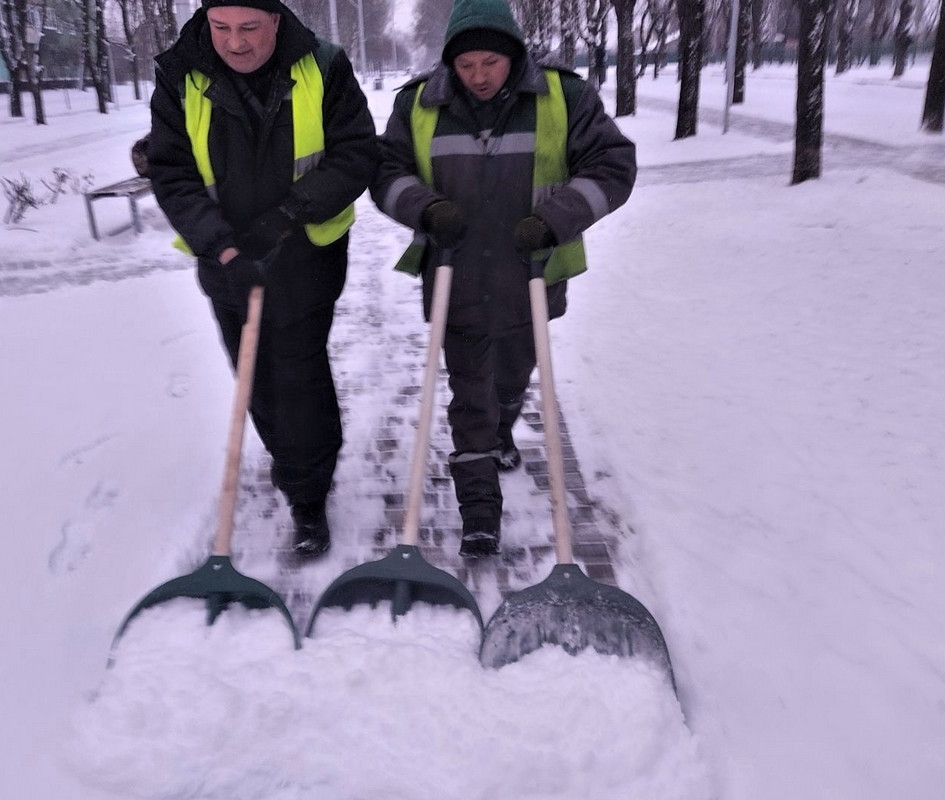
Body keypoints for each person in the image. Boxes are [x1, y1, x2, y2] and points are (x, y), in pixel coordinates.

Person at [370, 0, 636, 557]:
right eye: (466, 66)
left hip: (531, 273)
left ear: (513, 55)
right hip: (455, 275)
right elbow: (385, 171)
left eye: (490, 63)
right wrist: (425, 208)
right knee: (471, 395)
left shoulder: (564, 96)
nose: (479, 76)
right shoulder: (418, 103)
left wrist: (554, 220)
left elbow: (612, 165)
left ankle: (502, 429)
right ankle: (480, 513)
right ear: (450, 62)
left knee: (511, 380)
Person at [148, 0, 377, 557]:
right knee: (256, 381)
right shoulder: (180, 74)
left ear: (278, 20)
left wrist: (291, 213)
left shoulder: (323, 67)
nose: (235, 41)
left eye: (250, 27)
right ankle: (291, 464)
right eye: (221, 27)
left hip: (304, 257)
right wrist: (221, 244)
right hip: (225, 261)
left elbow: (356, 152)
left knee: (298, 376)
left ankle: (308, 496)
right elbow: (171, 171)